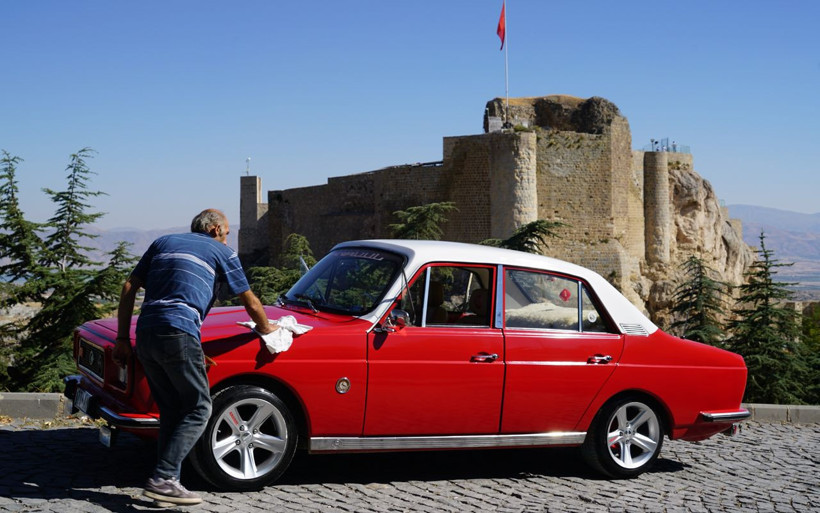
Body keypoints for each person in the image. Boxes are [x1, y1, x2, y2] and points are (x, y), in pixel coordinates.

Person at [112, 208, 275, 506]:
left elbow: (129, 286)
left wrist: (122, 338)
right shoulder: (222, 252)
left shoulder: (163, 242)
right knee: (200, 408)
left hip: (145, 333)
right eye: (226, 233)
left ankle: (166, 482)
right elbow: (248, 299)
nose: (227, 239)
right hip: (177, 332)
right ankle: (163, 478)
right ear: (215, 230)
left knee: (172, 410)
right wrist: (268, 328)